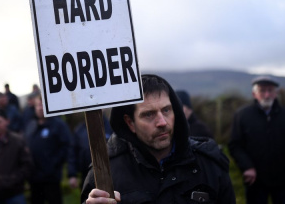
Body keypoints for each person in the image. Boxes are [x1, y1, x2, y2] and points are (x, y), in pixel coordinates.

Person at [82, 74, 235, 204]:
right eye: (149, 114)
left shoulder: (208, 164)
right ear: (130, 123)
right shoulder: (105, 173)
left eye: (166, 110)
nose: (162, 122)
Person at [228, 76, 285, 204]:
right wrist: (247, 167)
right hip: (255, 180)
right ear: (254, 94)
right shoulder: (242, 115)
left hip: (284, 180)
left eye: (270, 90)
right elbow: (235, 145)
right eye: (262, 91)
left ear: (276, 93)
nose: (267, 95)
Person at [0, 109, 33, 204]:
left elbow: (27, 165)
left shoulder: (18, 141)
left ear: (7, 122)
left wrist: (14, 180)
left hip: (14, 195)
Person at [25, 96, 72, 204]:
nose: (40, 108)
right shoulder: (31, 124)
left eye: (43, 105)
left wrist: (53, 164)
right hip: (34, 177)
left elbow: (66, 146)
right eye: (38, 105)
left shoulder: (58, 125)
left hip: (52, 177)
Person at [68, 112, 113, 190]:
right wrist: (72, 174)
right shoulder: (79, 130)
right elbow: (72, 153)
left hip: (110, 174)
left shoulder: (111, 127)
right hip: (85, 175)